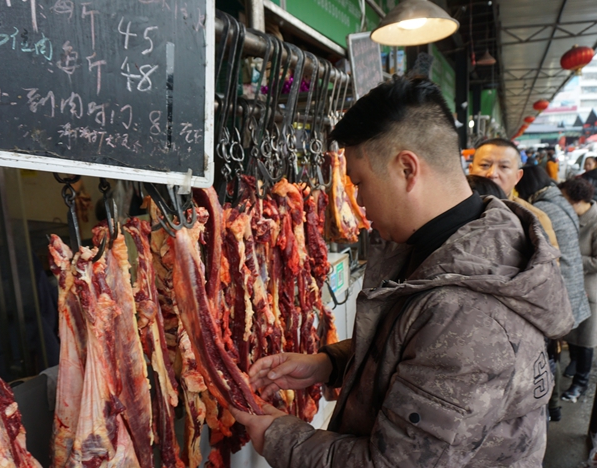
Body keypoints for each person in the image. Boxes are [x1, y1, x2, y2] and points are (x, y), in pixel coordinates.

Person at [230, 76, 574, 467]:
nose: (357, 201)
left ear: (407, 168)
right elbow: (411, 345)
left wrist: (279, 437)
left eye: (360, 183)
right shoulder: (450, 247)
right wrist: (328, 364)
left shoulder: (469, 316)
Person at [516, 166, 591, 420]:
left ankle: (553, 406)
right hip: (571, 285)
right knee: (556, 350)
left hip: (562, 289)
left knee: (550, 353)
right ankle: (556, 403)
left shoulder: (543, 209)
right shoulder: (558, 202)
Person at [468, 138, 558, 248]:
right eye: (485, 165)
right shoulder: (453, 208)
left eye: (504, 167)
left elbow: (549, 262)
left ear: (517, 176)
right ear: (470, 170)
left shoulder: (534, 219)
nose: (492, 174)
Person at [559, 178, 597, 403]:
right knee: (572, 333)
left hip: (589, 290)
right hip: (571, 286)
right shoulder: (570, 217)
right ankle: (573, 364)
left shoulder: (595, 221)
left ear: (578, 201)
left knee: (585, 340)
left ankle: (581, 383)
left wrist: (570, 259)